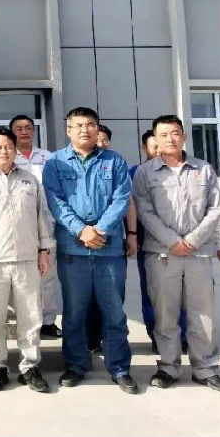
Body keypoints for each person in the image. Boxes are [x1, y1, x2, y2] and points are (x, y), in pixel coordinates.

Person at [42, 107, 137, 394]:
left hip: (109, 251)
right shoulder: (55, 163)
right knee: (74, 313)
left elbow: (121, 198)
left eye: (91, 124)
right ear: (68, 130)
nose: (85, 130)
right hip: (73, 251)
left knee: (114, 312)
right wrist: (81, 230)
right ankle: (75, 365)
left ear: (98, 129)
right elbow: (56, 201)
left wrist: (100, 229)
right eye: (79, 125)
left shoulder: (114, 161)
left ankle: (119, 368)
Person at [132, 115, 220, 393]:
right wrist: (173, 241)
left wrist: (193, 241)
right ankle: (168, 366)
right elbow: (144, 211)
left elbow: (216, 208)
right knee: (165, 314)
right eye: (163, 135)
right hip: (162, 254)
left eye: (175, 133)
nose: (170, 139)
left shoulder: (203, 169)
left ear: (184, 136)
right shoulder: (145, 173)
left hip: (198, 254)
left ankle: (205, 369)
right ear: (155, 139)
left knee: (202, 314)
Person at [0, 128, 54, 393]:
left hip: (27, 258)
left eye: (8, 146)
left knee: (31, 316)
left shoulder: (30, 180)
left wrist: (44, 250)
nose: (4, 151)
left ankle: (30, 367)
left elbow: (41, 216)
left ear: (15, 150)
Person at [131, 130, 187, 353]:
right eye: (153, 147)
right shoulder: (135, 173)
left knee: (182, 290)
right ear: (144, 149)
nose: (158, 151)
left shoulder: (178, 171)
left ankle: (183, 334)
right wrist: (131, 235)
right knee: (153, 291)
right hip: (148, 242)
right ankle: (156, 334)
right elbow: (131, 207)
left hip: (180, 241)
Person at [86, 125, 139, 354]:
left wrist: (132, 234)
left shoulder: (117, 166)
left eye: (105, 139)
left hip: (113, 242)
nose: (100, 143)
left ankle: (112, 344)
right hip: (83, 243)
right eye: (97, 139)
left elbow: (128, 203)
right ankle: (91, 340)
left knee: (113, 297)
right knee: (87, 297)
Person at [10, 115, 61, 339]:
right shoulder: (9, 157)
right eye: (19, 128)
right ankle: (24, 320)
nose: (24, 132)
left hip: (47, 221)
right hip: (20, 222)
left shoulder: (48, 157)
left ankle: (48, 320)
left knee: (47, 273)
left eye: (28, 128)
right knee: (20, 275)